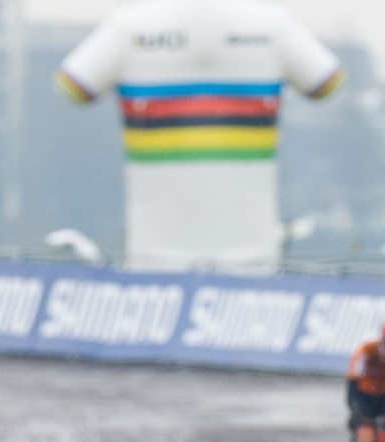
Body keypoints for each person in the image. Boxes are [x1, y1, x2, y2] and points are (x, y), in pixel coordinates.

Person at [55, 0, 344, 272]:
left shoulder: (129, 26)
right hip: (253, 258)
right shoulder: (272, 25)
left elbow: (73, 86)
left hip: (153, 258)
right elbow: (327, 83)